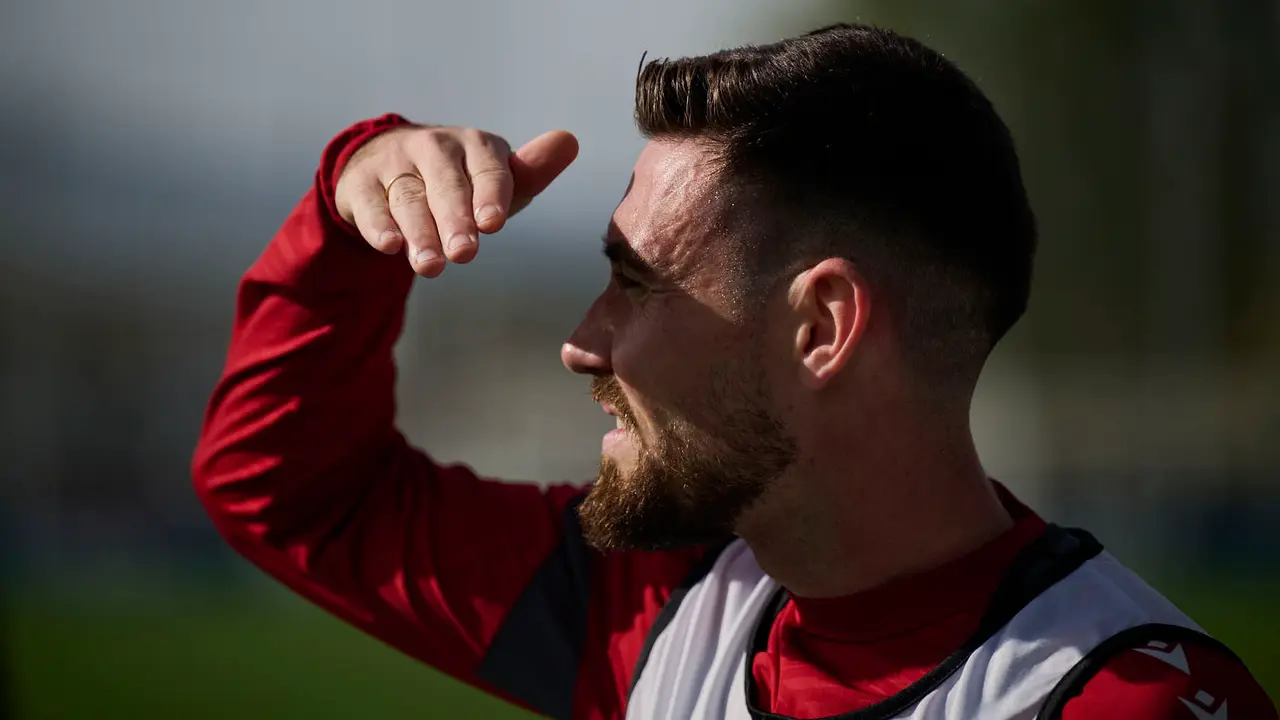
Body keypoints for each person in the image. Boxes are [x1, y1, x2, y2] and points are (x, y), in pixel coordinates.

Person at [192, 23, 1276, 720]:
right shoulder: (655, 599)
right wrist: (353, 205)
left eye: (633, 282)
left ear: (821, 326)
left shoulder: (1112, 700)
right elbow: (288, 495)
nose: (580, 340)